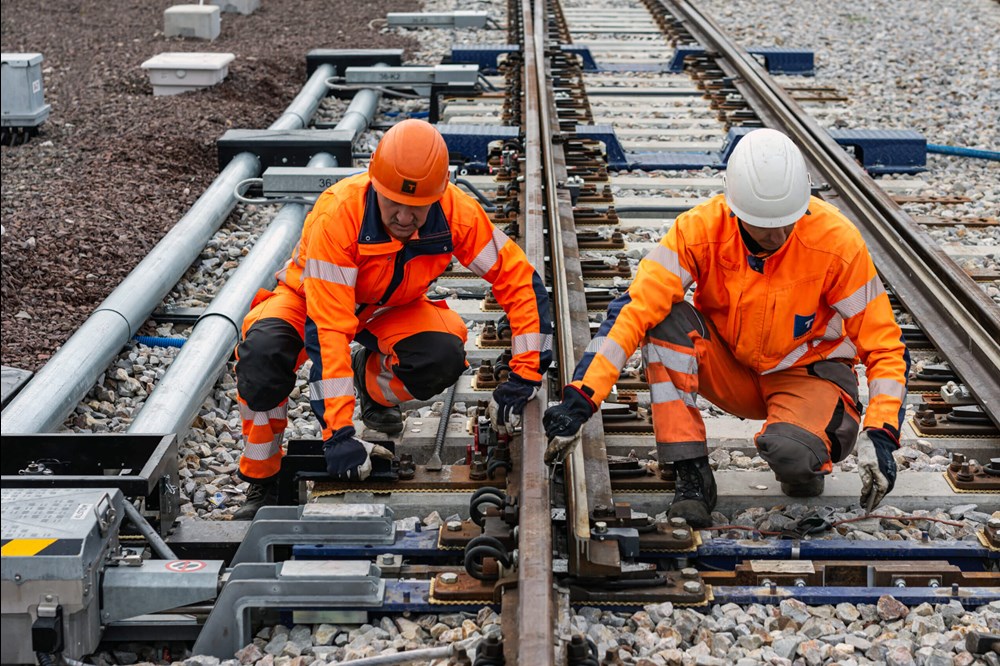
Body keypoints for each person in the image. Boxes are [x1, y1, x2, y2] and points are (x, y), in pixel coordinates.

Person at [542, 128, 908, 527]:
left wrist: (882, 433)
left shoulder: (837, 242)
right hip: (731, 368)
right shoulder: (698, 231)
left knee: (792, 457)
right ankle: (691, 472)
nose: (778, 234)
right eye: (763, 225)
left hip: (808, 373)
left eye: (788, 221)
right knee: (664, 318)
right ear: (734, 210)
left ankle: (803, 453)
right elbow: (633, 309)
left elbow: (885, 346)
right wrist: (580, 398)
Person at [232, 119, 552, 519]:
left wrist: (525, 375)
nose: (404, 217)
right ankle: (262, 480)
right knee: (263, 355)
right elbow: (328, 331)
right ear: (374, 185)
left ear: (438, 195)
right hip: (308, 298)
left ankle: (371, 381)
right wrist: (339, 434)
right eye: (394, 203)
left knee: (441, 355)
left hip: (389, 307)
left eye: (418, 208)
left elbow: (520, 281)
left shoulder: (457, 214)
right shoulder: (338, 215)